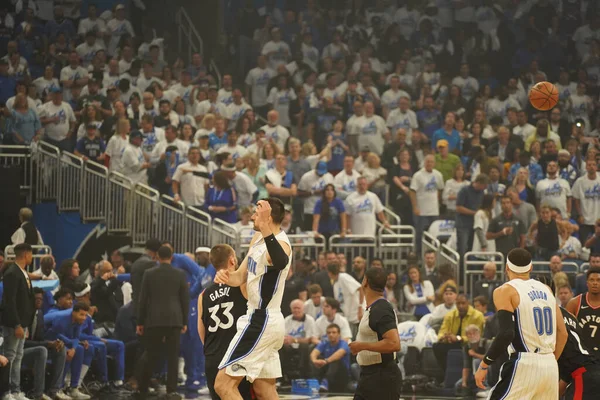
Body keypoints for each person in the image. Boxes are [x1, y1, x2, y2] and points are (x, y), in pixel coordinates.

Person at [213, 198, 293, 400]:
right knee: (264, 390)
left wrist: (265, 227)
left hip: (261, 320)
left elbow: (281, 261)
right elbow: (240, 276)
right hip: (265, 321)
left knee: (223, 385)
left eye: (258, 212)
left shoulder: (281, 244)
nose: (252, 216)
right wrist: (224, 275)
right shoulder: (257, 238)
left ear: (269, 216)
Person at [474, 249, 568, 399]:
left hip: (524, 363)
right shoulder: (547, 289)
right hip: (550, 364)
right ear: (530, 268)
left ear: (506, 268)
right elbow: (563, 333)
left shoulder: (505, 290)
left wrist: (484, 364)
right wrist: (548, 361)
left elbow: (506, 333)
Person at [135, 245, 190, 400]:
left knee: (151, 354)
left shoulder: (149, 273)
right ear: (171, 257)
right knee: (173, 356)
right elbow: (184, 300)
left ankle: (143, 388)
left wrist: (140, 322)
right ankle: (171, 390)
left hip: (154, 320)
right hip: (175, 320)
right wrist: (184, 321)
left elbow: (143, 299)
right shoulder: (180, 274)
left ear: (157, 257)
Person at [198, 244, 251, 400]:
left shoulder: (204, 294)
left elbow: (201, 330)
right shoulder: (243, 285)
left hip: (212, 356)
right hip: (236, 354)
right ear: (233, 260)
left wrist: (212, 349)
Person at [349, 267, 401, 400]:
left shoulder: (381, 308)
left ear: (365, 281)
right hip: (369, 375)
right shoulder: (373, 308)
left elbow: (394, 344)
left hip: (382, 376)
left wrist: (362, 346)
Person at [1, 244, 35, 400]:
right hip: (13, 324)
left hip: (23, 323)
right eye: (31, 254)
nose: (32, 257)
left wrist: (25, 324)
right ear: (26, 254)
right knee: (10, 356)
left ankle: (16, 390)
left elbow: (27, 301)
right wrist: (17, 324)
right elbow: (10, 302)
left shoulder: (24, 273)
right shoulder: (12, 273)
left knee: (18, 356)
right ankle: (6, 392)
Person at [25, 288, 70, 400]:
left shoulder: (39, 314)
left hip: (35, 348)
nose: (39, 301)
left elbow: (40, 338)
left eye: (41, 299)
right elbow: (22, 343)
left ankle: (55, 390)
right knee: (42, 350)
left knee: (61, 348)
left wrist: (54, 343)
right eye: (36, 299)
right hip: (21, 351)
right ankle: (38, 394)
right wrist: (47, 344)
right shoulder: (24, 315)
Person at [43, 303, 94, 400]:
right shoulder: (61, 319)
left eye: (85, 315)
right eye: (81, 315)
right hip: (49, 342)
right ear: (74, 312)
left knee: (79, 349)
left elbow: (76, 338)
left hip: (61, 341)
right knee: (66, 352)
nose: (84, 318)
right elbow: (55, 335)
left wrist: (73, 348)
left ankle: (73, 388)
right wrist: (71, 345)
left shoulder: (78, 321)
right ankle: (59, 388)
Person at [557, 306, 600, 399]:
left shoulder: (551, 313)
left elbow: (563, 335)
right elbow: (567, 373)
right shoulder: (571, 315)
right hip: (591, 368)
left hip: (582, 374)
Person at [410, 154, 444, 254]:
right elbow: (412, 191)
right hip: (421, 211)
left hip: (434, 211)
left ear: (434, 163)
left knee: (434, 234)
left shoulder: (438, 175)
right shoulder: (418, 175)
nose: (429, 163)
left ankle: (432, 255)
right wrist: (415, 207)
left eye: (431, 162)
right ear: (424, 162)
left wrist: (438, 202)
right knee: (420, 234)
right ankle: (419, 255)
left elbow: (440, 189)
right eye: (427, 161)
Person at [566, 267, 600, 357]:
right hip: (581, 356)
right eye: (592, 280)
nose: (595, 283)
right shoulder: (575, 303)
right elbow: (566, 332)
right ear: (587, 283)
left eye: (598, 280)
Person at [310, 323, 351, 393]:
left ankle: (325, 382)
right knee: (318, 359)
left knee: (335, 361)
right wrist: (314, 361)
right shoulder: (325, 343)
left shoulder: (343, 343)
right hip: (328, 370)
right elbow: (314, 353)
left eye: (334, 332)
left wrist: (326, 361)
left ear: (339, 334)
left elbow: (339, 354)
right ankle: (315, 381)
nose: (331, 334)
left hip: (342, 373)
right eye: (329, 333)